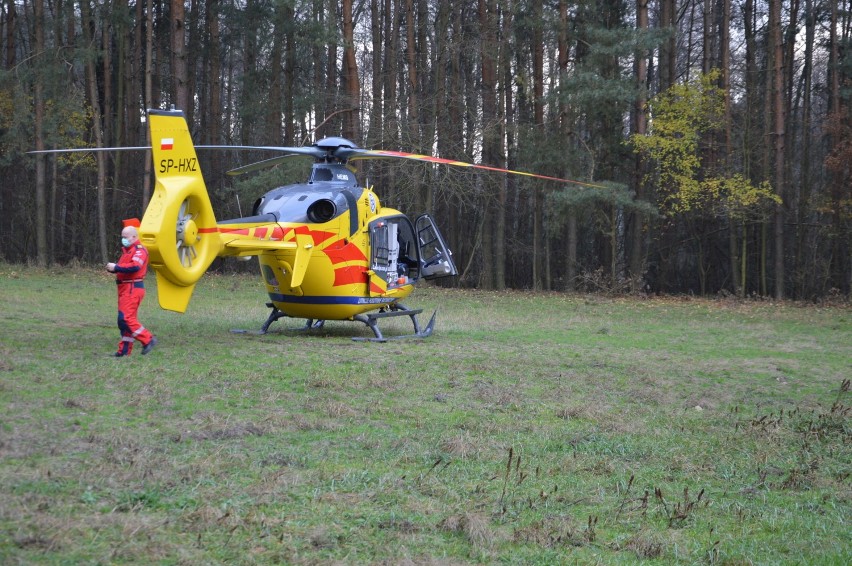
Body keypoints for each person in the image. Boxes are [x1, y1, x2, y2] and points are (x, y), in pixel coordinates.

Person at [106, 219, 157, 356]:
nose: (123, 239)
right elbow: (125, 268)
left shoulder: (140, 250)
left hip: (132, 287)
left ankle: (148, 339)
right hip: (125, 288)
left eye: (125, 237)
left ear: (134, 237)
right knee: (123, 321)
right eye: (122, 237)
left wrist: (116, 267)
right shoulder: (127, 251)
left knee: (126, 318)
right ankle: (123, 351)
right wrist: (114, 270)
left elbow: (135, 266)